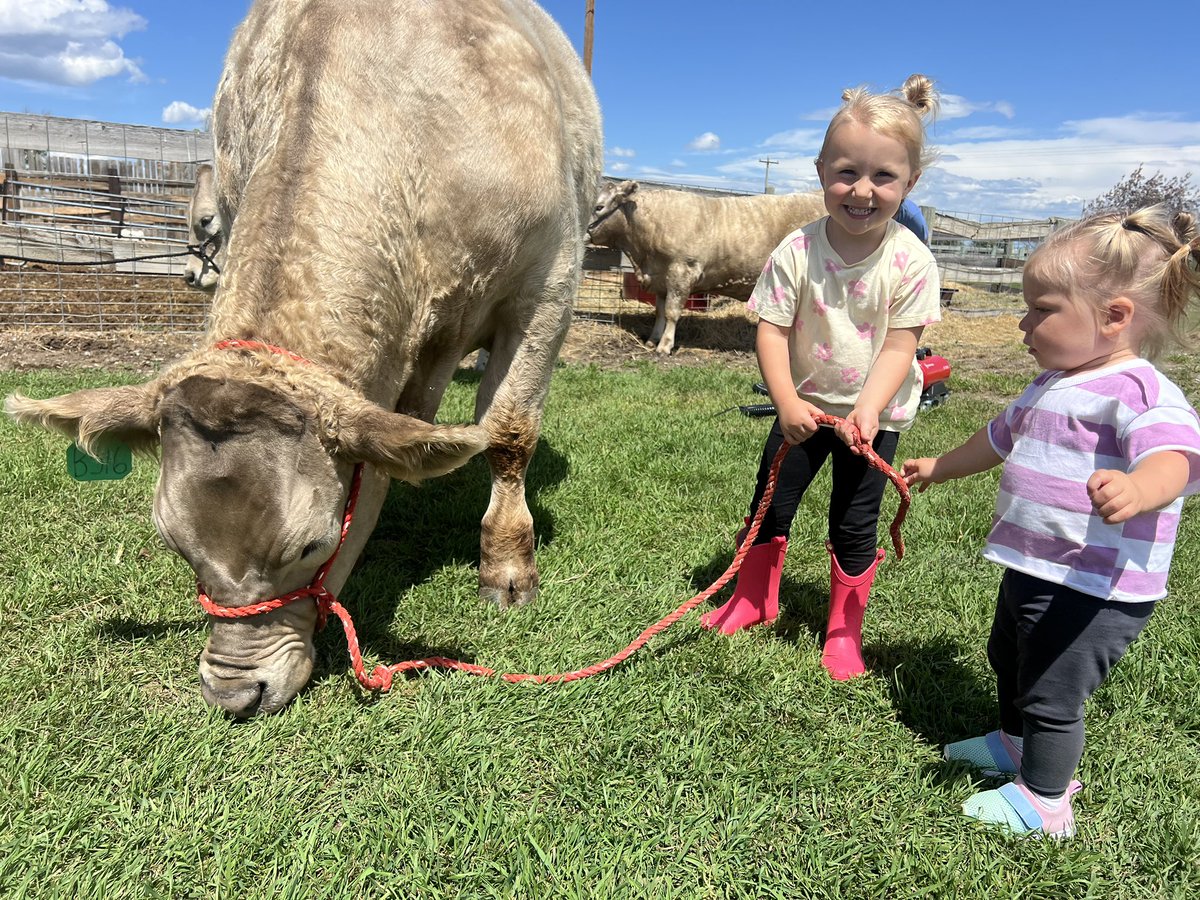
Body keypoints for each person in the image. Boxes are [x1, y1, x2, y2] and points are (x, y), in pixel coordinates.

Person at [902, 205, 1200, 838]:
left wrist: (1139, 487)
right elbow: (998, 439)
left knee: (1052, 690)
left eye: (1042, 309)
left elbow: (1175, 458)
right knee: (1007, 654)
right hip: (1037, 564)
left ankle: (1046, 800)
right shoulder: (1049, 383)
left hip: (1097, 585)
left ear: (1114, 317)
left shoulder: (1139, 391)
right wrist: (941, 466)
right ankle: (1014, 745)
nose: (1023, 322)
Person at [701, 74, 943, 683]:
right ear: (820, 171)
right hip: (801, 410)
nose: (862, 190)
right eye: (846, 172)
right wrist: (785, 400)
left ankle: (843, 629)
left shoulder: (912, 261)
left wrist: (868, 408)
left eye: (883, 177)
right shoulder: (796, 251)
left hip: (872, 419)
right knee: (771, 500)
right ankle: (755, 599)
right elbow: (772, 329)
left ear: (909, 184)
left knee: (855, 518)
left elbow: (900, 343)